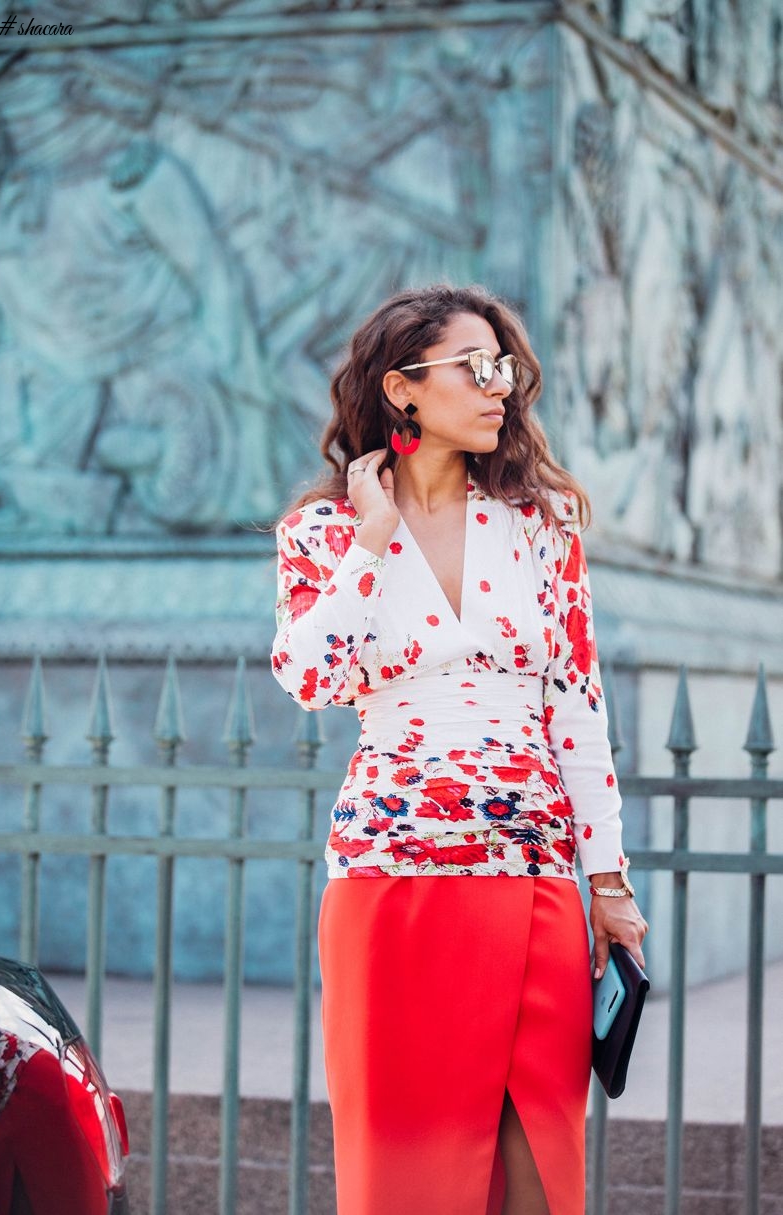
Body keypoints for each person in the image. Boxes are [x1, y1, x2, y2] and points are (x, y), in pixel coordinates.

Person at [270, 284, 648, 1215]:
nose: (500, 389)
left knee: (539, 1180)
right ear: (403, 389)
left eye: (507, 368)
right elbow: (309, 679)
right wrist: (370, 545)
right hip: (393, 887)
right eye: (475, 369)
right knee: (407, 1183)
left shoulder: (540, 526)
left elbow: (578, 707)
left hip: (534, 884)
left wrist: (609, 882)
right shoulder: (322, 534)